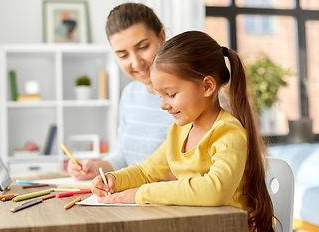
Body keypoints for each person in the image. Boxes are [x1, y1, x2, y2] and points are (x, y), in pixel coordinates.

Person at [91, 31, 275, 232]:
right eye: (161, 95)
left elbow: (215, 190)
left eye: (171, 94)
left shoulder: (228, 134)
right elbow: (147, 170)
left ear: (207, 86)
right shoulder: (179, 131)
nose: (163, 105)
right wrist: (115, 179)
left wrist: (140, 194)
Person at [67, 3, 175, 180]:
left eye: (142, 47)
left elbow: (200, 170)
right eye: (123, 55)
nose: (136, 62)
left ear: (162, 37)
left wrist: (139, 177)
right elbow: (123, 156)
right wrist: (96, 168)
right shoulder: (130, 94)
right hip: (133, 199)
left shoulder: (191, 95)